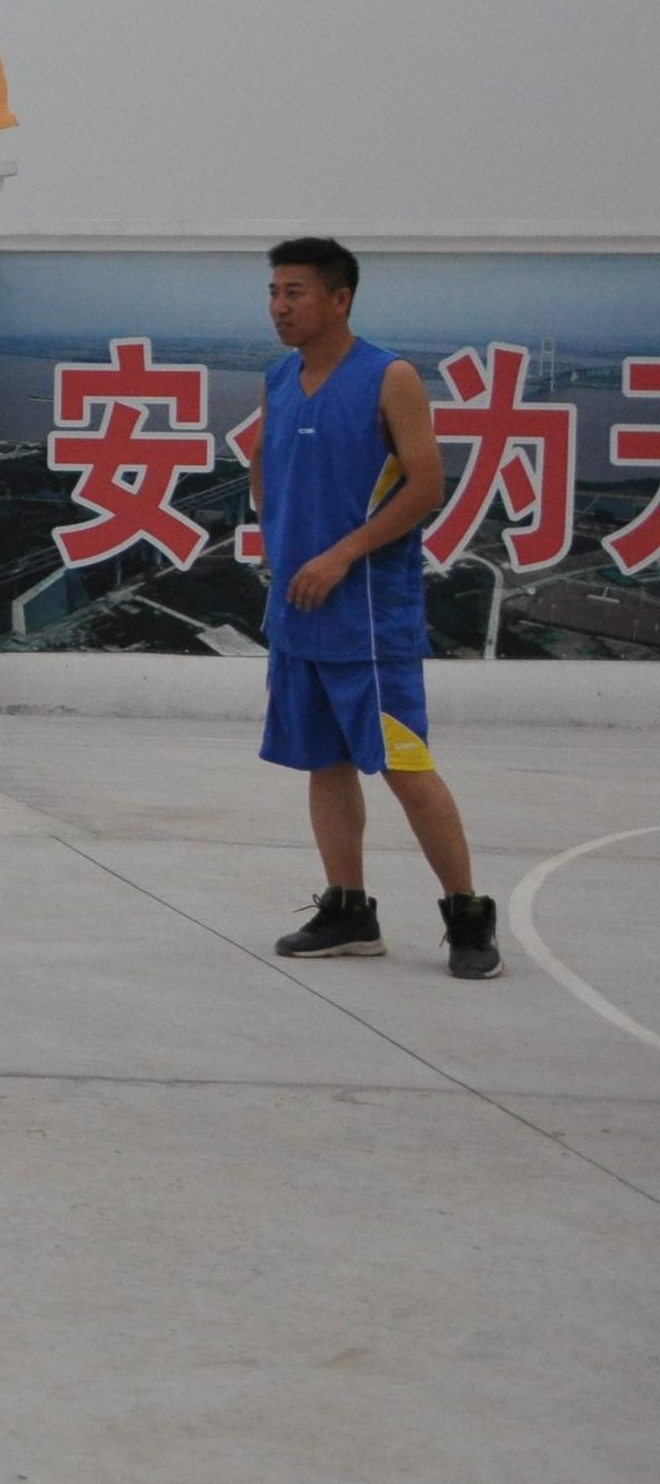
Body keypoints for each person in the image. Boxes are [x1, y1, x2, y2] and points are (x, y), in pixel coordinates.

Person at [256, 238, 497, 977]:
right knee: (324, 764)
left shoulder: (389, 377)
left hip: (366, 618)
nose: (280, 307)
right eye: (274, 292)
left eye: (296, 292)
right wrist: (277, 542)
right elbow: (266, 468)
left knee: (405, 765)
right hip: (298, 615)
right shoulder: (279, 377)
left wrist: (341, 555)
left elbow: (426, 486)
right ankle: (349, 910)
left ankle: (467, 915)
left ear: (340, 299)